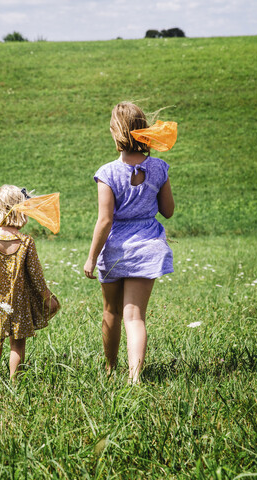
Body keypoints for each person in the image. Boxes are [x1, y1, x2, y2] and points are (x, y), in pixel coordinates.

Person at [84, 101, 176, 384]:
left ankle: (111, 370)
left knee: (111, 312)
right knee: (135, 318)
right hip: (149, 247)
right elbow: (168, 211)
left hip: (115, 250)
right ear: (143, 129)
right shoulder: (159, 168)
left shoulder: (108, 172)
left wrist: (90, 258)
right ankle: (135, 378)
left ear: (116, 133)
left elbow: (105, 220)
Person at [0, 185, 60, 380]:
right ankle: (15, 380)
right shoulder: (26, 242)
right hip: (19, 302)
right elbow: (37, 277)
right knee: (18, 341)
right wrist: (48, 298)